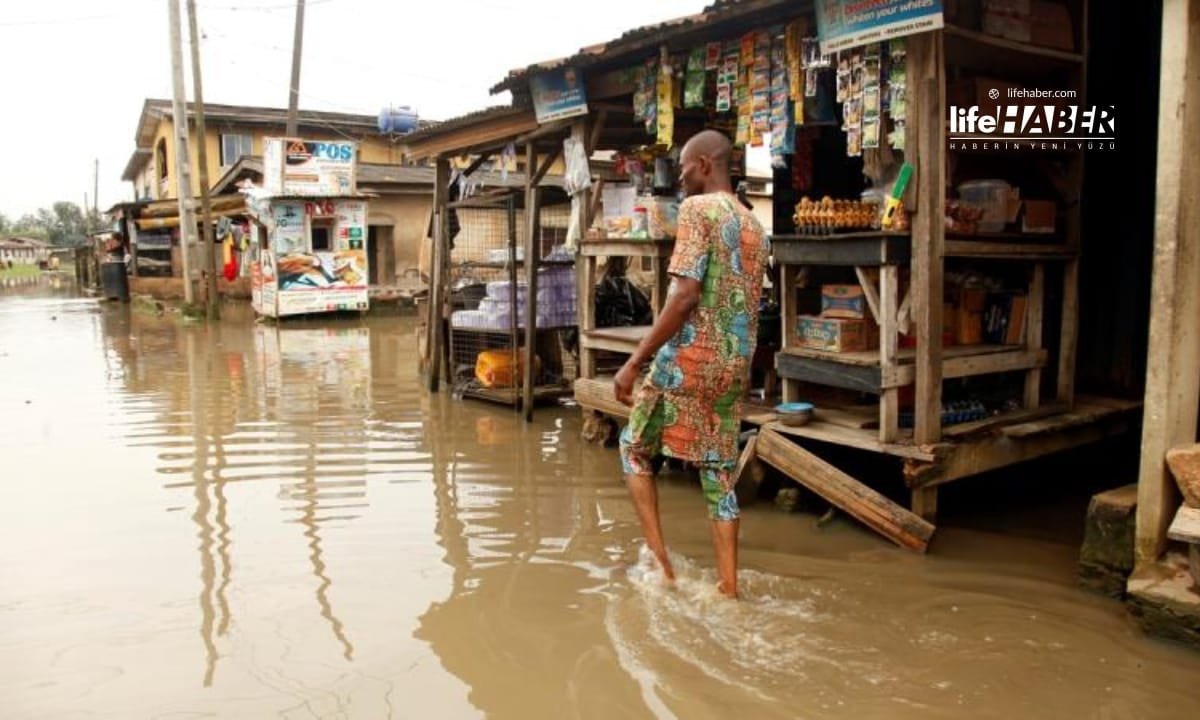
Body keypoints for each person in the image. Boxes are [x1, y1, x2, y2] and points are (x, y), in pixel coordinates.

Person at [614, 130, 770, 599]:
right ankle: (729, 587)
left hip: (690, 357)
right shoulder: (753, 224)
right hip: (733, 365)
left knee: (634, 449)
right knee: (718, 473)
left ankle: (663, 567)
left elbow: (684, 296)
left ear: (704, 164)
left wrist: (634, 362)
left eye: (683, 165)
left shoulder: (697, 210)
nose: (679, 175)